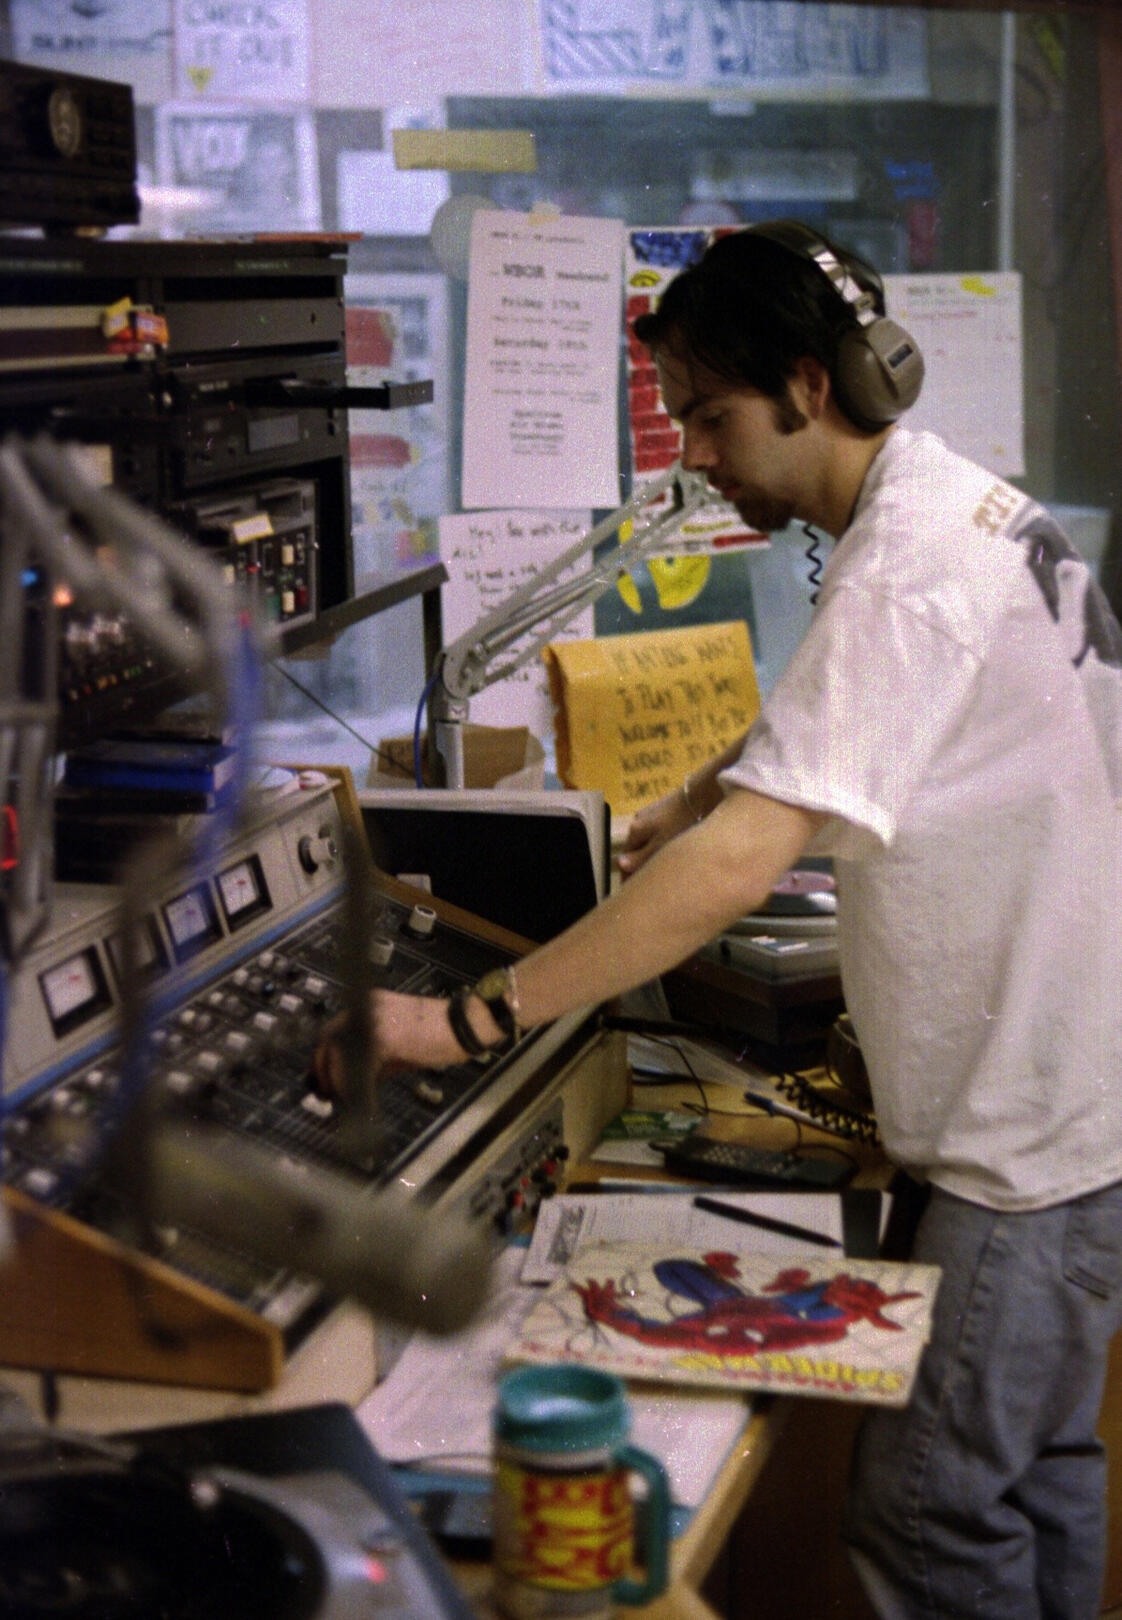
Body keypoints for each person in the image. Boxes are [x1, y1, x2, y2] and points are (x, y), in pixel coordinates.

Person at [316, 221, 1122, 1618]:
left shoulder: (907, 567)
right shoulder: (945, 508)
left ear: (811, 387)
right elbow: (823, 739)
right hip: (1071, 1107)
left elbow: (746, 867)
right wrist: (684, 806)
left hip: (1028, 1149)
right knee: (1031, 1476)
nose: (691, 450)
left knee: (929, 1516)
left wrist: (462, 1018)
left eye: (707, 411)